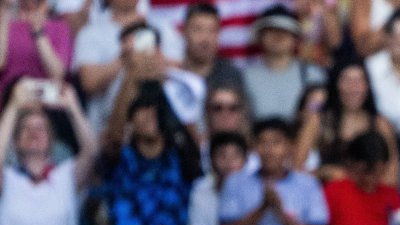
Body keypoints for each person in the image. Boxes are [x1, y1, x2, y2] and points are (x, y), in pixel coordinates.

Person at [98, 77, 200, 225]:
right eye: (142, 109)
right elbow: (114, 136)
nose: (150, 115)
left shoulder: (183, 160)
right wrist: (133, 72)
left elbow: (196, 147)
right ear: (131, 118)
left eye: (157, 109)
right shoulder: (119, 160)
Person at [0, 79, 95, 225]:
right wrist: (13, 107)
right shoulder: (8, 180)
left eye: (41, 128)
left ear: (52, 141)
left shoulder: (65, 177)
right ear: (15, 142)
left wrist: (73, 108)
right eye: (25, 129)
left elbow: (92, 152)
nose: (34, 133)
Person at [220, 117, 329, 225]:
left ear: (289, 147)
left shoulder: (308, 185)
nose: (269, 150)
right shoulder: (235, 183)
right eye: (263, 142)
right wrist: (261, 208)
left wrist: (280, 212)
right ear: (254, 147)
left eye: (276, 143)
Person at [74, 0, 184, 134]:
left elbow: (182, 76)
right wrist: (123, 58)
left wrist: (156, 59)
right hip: (107, 129)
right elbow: (89, 84)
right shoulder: (91, 33)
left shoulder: (164, 29)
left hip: (160, 127)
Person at [295, 60, 400, 186]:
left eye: (359, 81)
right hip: (328, 194)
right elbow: (297, 167)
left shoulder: (380, 124)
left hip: (369, 197)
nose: (353, 88)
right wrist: (323, 172)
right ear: (336, 85)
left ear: (367, 86)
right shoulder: (319, 120)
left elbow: (392, 172)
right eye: (347, 81)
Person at [242, 5, 325, 122]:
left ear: (295, 38)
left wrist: (312, 109)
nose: (278, 35)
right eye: (271, 30)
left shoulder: (312, 75)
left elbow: (317, 112)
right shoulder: (246, 76)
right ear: (260, 37)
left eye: (285, 30)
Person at [0, 0, 70, 99]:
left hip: (44, 97)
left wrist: (38, 31)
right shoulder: (7, 23)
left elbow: (58, 74)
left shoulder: (59, 27)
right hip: (10, 96)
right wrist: (5, 12)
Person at [179, 3, 243, 95]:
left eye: (211, 30)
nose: (205, 39)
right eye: (198, 29)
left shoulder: (231, 76)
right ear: (184, 32)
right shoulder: (171, 77)